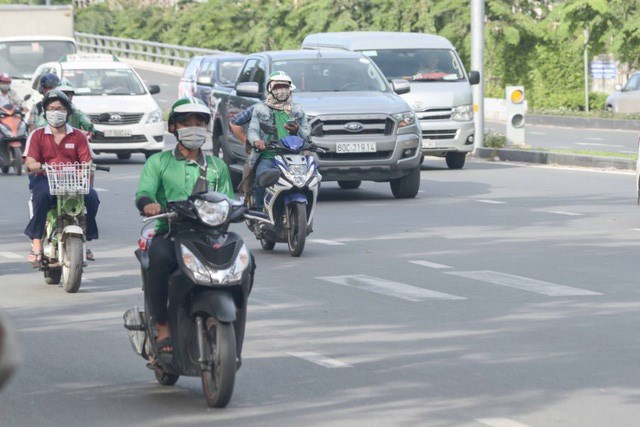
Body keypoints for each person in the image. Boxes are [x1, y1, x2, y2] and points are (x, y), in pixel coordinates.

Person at [135, 97, 235, 356]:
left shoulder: (217, 166)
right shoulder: (158, 163)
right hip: (171, 233)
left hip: (211, 236)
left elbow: (228, 199)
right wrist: (149, 204)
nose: (194, 128)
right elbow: (144, 193)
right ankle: (162, 324)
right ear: (173, 128)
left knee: (245, 260)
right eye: (186, 123)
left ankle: (234, 312)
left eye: (199, 123)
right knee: (158, 259)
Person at [23, 90, 101, 264]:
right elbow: (28, 163)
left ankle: (84, 237)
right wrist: (33, 165)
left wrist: (85, 172)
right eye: (51, 108)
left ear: (67, 112)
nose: (55, 112)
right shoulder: (37, 135)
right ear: (45, 112)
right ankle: (36, 242)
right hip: (45, 178)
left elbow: (86, 163)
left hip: (72, 180)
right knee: (42, 196)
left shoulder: (79, 136)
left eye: (59, 108)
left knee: (92, 198)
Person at [247, 71, 310, 210]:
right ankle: (259, 211)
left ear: (290, 88)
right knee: (260, 180)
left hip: (293, 158)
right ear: (270, 88)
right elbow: (252, 131)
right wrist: (257, 141)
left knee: (314, 179)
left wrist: (297, 130)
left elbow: (307, 133)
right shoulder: (260, 108)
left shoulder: (297, 109)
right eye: (277, 86)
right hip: (269, 157)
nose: (281, 90)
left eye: (284, 86)